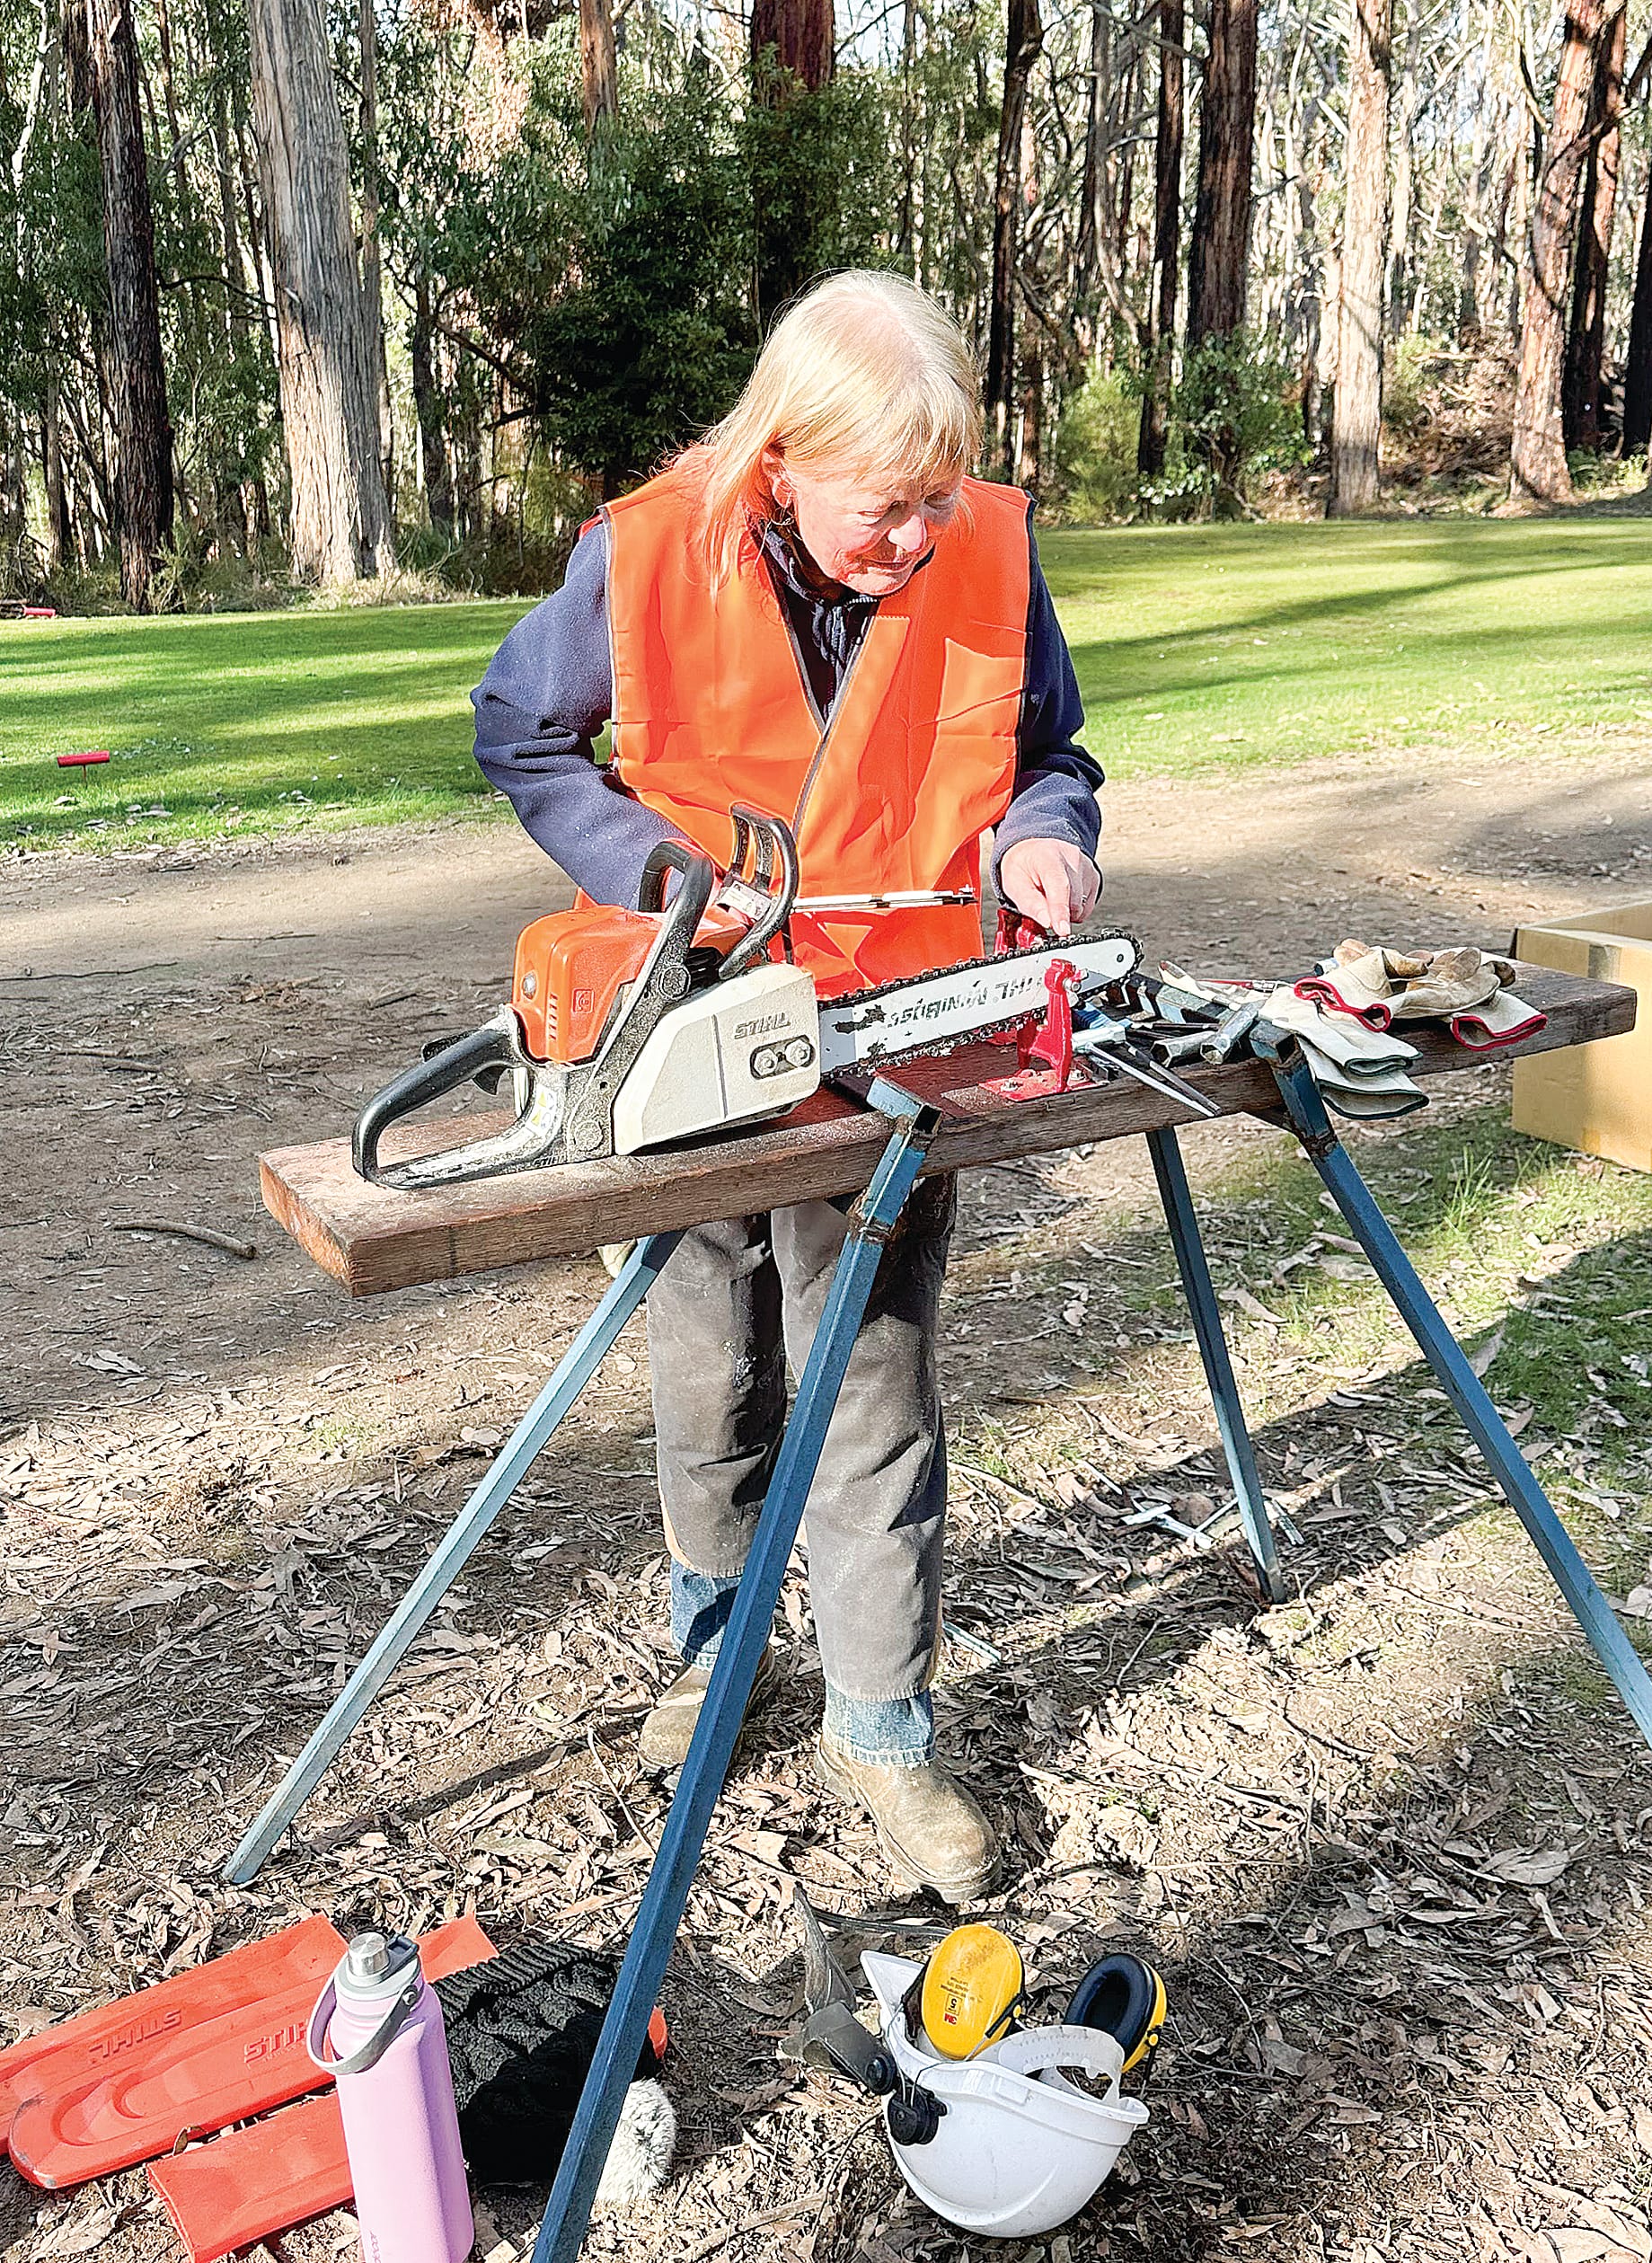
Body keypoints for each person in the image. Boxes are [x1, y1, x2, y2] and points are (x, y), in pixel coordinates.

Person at [473, 270, 1103, 1905]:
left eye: (934, 505)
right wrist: (657, 869)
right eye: (882, 511)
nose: (912, 542)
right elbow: (518, 730)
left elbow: (1050, 750)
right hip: (691, 1035)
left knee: (873, 1383)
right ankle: (716, 1653)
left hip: (902, 1037)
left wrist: (1045, 834)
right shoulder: (642, 550)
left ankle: (881, 1724)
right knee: (707, 1371)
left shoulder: (984, 546)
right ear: (779, 461)